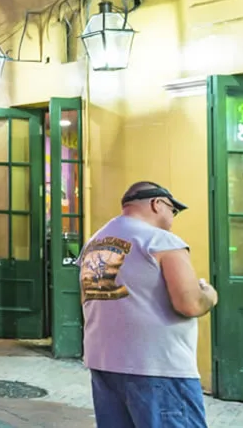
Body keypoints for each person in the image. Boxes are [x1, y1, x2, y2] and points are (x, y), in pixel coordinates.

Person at [78, 181, 216, 428]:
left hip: (104, 364)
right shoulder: (160, 240)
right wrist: (209, 294)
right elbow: (191, 304)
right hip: (159, 368)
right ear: (157, 204)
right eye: (173, 211)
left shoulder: (94, 243)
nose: (173, 218)